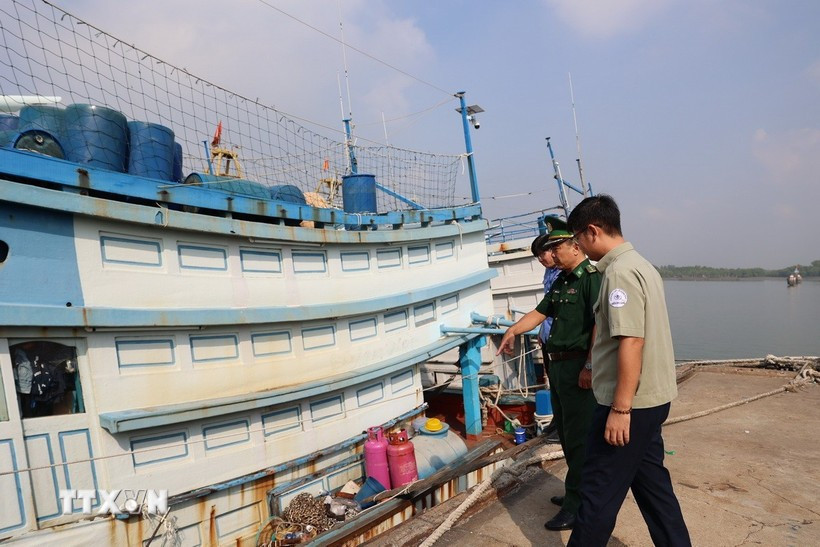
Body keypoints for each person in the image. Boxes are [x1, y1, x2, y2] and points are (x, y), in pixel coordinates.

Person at [566, 195, 691, 546]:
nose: (579, 247)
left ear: (592, 231)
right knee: (654, 491)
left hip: (629, 405)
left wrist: (621, 410)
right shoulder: (642, 265)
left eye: (578, 239)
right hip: (650, 401)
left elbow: (631, 341)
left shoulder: (619, 273)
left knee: (597, 495)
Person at [498, 219, 601, 531]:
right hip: (557, 368)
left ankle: (577, 506)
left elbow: (601, 326)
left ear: (575, 246)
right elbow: (540, 312)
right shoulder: (563, 281)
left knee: (580, 438)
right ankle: (574, 493)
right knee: (568, 436)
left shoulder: (591, 280)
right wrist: (514, 329)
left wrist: (590, 367)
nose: (552, 255)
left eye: (557, 248)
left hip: (577, 367)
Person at [531, 232, 561, 383]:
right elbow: (547, 304)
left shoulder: (564, 272)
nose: (541, 259)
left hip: (560, 338)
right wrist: (542, 330)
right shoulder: (548, 271)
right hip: (547, 336)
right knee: (552, 378)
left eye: (543, 253)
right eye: (538, 256)